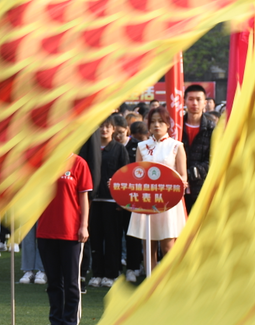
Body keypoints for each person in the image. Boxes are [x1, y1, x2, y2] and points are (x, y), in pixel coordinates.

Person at [36, 153, 93, 325]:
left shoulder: (79, 163)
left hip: (71, 230)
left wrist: (84, 225)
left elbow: (84, 197)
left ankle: (70, 323)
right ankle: (55, 322)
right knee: (53, 281)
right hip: (46, 229)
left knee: (71, 280)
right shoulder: (43, 161)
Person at [126, 107, 187, 270]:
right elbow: (136, 173)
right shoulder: (142, 146)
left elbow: (183, 175)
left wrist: (181, 182)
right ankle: (151, 285)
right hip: (146, 201)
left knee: (168, 246)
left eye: (161, 121)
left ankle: (171, 282)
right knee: (148, 246)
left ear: (168, 124)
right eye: (153, 122)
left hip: (169, 202)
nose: (156, 125)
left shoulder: (176, 146)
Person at [88, 114, 130, 288]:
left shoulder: (120, 149)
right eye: (101, 126)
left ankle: (112, 273)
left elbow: (127, 174)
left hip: (113, 202)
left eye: (108, 126)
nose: (104, 130)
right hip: (93, 200)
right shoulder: (90, 149)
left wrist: (122, 200)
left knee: (113, 239)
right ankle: (97, 273)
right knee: (95, 239)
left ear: (114, 129)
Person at [179, 85, 214, 215]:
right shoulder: (176, 127)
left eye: (198, 99)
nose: (194, 103)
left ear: (205, 102)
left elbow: (212, 160)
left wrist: (189, 174)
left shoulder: (212, 129)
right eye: (191, 99)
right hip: (177, 187)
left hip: (201, 187)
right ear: (184, 101)